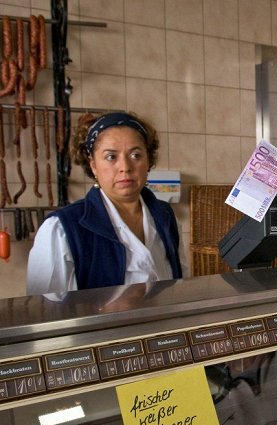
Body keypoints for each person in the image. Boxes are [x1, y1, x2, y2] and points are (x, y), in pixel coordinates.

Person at [27, 111, 185, 295]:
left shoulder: (165, 215)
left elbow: (180, 286)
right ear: (93, 165)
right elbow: (46, 313)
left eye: (135, 155)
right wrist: (106, 309)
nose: (125, 167)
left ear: (148, 160)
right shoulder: (61, 229)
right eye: (111, 157)